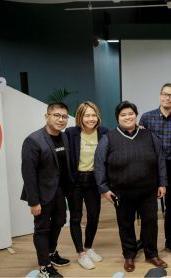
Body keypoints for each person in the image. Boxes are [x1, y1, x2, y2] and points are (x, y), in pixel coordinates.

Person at [94, 101, 168, 272]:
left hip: (148, 190)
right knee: (125, 224)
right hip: (122, 192)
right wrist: (103, 188)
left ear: (136, 115)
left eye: (130, 114)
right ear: (118, 118)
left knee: (151, 223)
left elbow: (160, 159)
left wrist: (162, 183)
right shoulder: (108, 138)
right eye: (123, 115)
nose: (128, 117)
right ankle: (129, 255)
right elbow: (99, 165)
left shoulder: (149, 135)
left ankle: (151, 254)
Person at [20, 102, 72, 278]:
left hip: (58, 191)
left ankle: (51, 253)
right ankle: (44, 267)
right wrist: (33, 201)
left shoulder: (64, 137)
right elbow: (28, 173)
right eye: (56, 115)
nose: (61, 119)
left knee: (59, 221)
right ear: (47, 116)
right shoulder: (33, 140)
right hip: (41, 194)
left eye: (64, 116)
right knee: (42, 229)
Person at [139, 83, 171, 256]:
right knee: (147, 207)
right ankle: (145, 240)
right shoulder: (146, 118)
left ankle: (170, 240)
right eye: (165, 94)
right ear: (160, 95)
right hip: (151, 169)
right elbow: (141, 143)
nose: (168, 98)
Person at [65, 101, 109, 270]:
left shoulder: (104, 132)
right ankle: (80, 253)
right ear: (80, 117)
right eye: (87, 115)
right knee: (76, 218)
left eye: (93, 115)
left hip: (93, 181)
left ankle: (88, 247)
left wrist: (138, 128)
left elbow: (119, 139)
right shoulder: (70, 133)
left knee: (94, 216)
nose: (91, 118)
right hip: (75, 181)